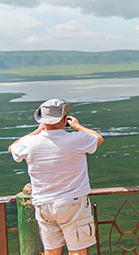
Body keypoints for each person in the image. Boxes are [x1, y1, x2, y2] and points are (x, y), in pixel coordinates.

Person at [8, 99, 104, 255]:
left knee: (51, 251)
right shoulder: (76, 139)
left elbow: (12, 148)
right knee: (77, 251)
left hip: (43, 204)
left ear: (42, 120)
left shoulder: (29, 143)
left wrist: (38, 131)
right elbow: (98, 139)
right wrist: (77, 126)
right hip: (72, 203)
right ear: (64, 119)